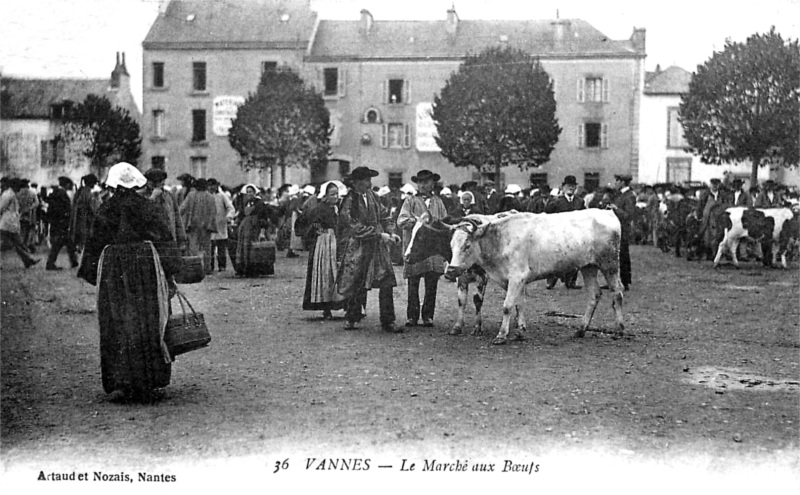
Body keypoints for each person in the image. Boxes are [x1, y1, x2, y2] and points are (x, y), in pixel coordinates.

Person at [77, 162, 181, 401]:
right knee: (147, 318)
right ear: (136, 183)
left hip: (114, 270)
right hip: (146, 267)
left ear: (113, 184)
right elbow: (164, 237)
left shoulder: (106, 208)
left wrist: (91, 273)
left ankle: (122, 379)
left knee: (118, 320)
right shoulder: (147, 207)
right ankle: (148, 379)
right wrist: (171, 272)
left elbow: (94, 242)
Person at [333, 167, 401, 333]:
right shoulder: (349, 201)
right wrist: (380, 235)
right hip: (359, 247)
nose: (369, 183)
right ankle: (352, 317)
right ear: (356, 183)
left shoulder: (373, 197)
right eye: (366, 180)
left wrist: (392, 232)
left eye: (370, 179)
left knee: (386, 280)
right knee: (357, 281)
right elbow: (353, 226)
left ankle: (388, 321)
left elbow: (385, 216)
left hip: (377, 247)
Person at [397, 170, 448, 328]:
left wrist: (435, 223)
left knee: (431, 282)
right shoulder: (410, 201)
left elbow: (444, 221)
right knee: (413, 282)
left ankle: (428, 316)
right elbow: (401, 220)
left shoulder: (438, 202)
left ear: (432, 184)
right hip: (417, 248)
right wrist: (417, 222)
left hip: (432, 250)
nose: (422, 185)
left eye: (426, 182)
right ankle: (412, 316)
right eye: (420, 182)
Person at [298, 180, 347, 319]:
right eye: (332, 194)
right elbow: (303, 220)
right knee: (325, 274)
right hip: (325, 243)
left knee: (337, 273)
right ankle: (326, 308)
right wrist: (315, 228)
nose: (335, 197)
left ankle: (339, 305)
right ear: (325, 196)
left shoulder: (337, 208)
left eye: (337, 194)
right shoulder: (319, 208)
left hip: (336, 242)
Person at [544, 175, 586, 289]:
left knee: (574, 258)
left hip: (574, 235)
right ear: (563, 187)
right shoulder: (556, 201)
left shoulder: (580, 201)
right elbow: (547, 213)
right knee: (555, 257)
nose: (571, 188)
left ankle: (571, 281)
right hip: (559, 235)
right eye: (568, 186)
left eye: (573, 186)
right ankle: (551, 280)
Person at [235, 184, 276, 277]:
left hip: (255, 228)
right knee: (243, 248)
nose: (249, 194)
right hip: (244, 228)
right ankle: (244, 269)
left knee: (254, 249)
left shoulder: (260, 203)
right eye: (248, 192)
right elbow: (241, 214)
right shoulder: (246, 202)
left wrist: (262, 230)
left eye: (251, 192)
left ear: (255, 192)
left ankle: (254, 270)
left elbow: (263, 217)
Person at [144, 168, 188, 255]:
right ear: (150, 182)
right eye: (159, 181)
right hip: (152, 241)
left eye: (163, 181)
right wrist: (153, 198)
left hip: (170, 239)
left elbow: (177, 218)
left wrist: (181, 239)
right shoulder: (143, 195)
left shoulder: (169, 195)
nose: (162, 183)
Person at [1, 178, 41, 269]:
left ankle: (28, 261)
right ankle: (28, 260)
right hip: (7, 223)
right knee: (16, 243)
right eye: (19, 186)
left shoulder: (12, 194)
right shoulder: (8, 195)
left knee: (18, 244)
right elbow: (1, 207)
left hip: (11, 224)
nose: (20, 188)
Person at [179, 178, 217, 274]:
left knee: (193, 248)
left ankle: (195, 268)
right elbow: (213, 212)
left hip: (193, 225)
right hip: (206, 226)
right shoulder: (210, 197)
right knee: (207, 248)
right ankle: (207, 269)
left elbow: (182, 208)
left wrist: (177, 216)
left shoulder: (191, 195)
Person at [608, 174, 636, 291]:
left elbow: (628, 215)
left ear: (622, 182)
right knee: (615, 255)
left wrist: (615, 209)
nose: (615, 183)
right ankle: (615, 281)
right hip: (616, 229)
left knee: (623, 255)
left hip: (623, 229)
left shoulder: (629, 196)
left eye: (617, 181)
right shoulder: (620, 195)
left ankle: (624, 281)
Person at [45, 176, 79, 270]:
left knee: (67, 242)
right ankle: (50, 264)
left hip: (57, 222)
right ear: (67, 184)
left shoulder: (56, 193)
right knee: (60, 243)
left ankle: (74, 261)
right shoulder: (62, 194)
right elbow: (64, 209)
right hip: (62, 223)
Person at [694, 178, 726, 260]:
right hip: (707, 218)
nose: (715, 186)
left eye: (717, 185)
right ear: (710, 185)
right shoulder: (705, 194)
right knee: (707, 236)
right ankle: (708, 253)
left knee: (719, 235)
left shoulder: (722, 195)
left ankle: (716, 254)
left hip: (719, 218)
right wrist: (699, 215)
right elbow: (700, 206)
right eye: (713, 184)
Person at [207, 178, 236, 273]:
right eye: (209, 185)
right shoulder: (206, 196)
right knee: (210, 248)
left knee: (221, 248)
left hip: (221, 224)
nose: (211, 187)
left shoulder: (222, 196)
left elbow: (230, 208)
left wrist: (229, 217)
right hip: (210, 224)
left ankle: (222, 266)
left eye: (213, 185)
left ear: (217, 186)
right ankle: (210, 266)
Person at [69, 174, 101, 253]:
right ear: (92, 183)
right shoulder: (88, 193)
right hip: (86, 222)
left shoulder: (80, 191)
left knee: (81, 244)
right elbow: (95, 209)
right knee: (86, 244)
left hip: (79, 222)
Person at [16, 178, 39, 253]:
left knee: (23, 230)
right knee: (31, 229)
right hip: (30, 214)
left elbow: (16, 204)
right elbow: (37, 203)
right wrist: (30, 208)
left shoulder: (18, 193)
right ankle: (29, 243)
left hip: (21, 213)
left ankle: (23, 245)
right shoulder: (32, 193)